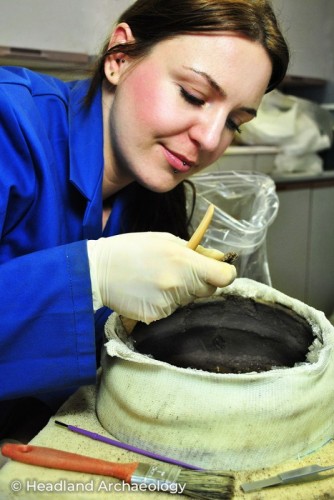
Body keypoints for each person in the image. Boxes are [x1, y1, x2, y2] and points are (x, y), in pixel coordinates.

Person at [0, 0, 289, 433]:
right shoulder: (10, 125)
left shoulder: (151, 200)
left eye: (234, 122)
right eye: (192, 95)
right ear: (119, 59)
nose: (210, 139)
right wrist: (93, 277)